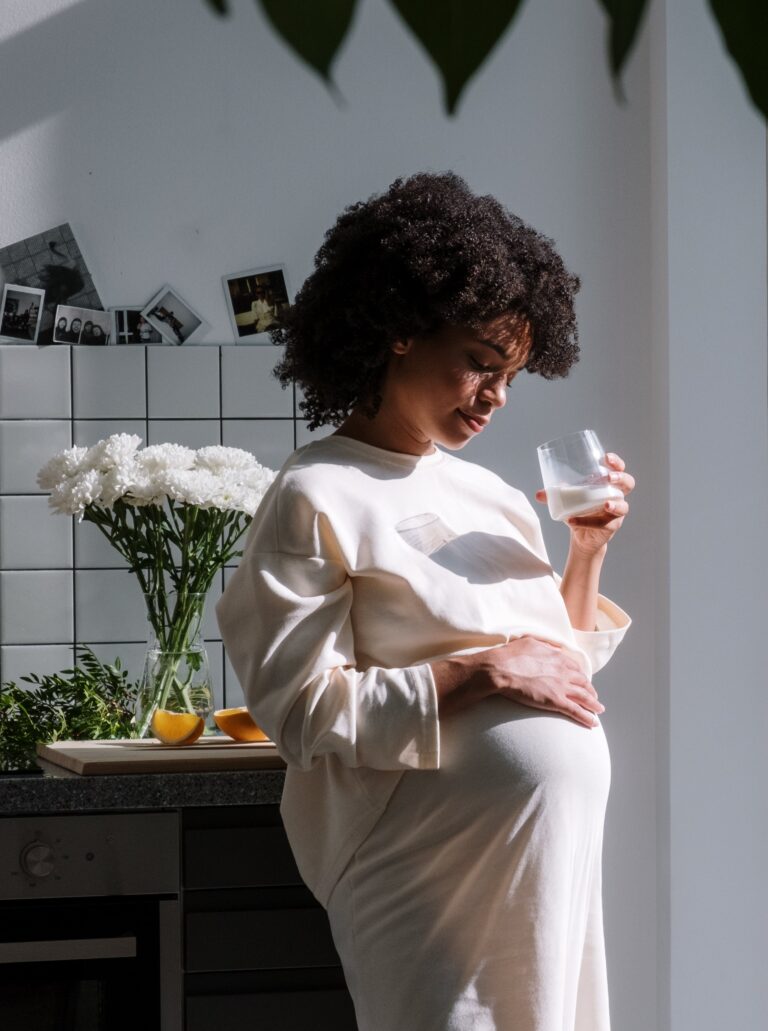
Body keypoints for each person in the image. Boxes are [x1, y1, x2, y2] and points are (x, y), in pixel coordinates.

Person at [216, 170, 634, 1031]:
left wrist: (586, 551)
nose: (495, 398)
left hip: (547, 874)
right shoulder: (316, 491)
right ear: (401, 330)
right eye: (480, 363)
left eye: (512, 375)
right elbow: (300, 711)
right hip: (423, 872)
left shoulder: (495, 496)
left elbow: (555, 667)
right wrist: (477, 672)